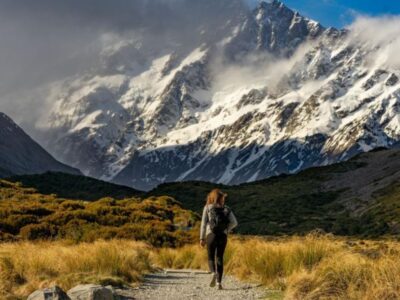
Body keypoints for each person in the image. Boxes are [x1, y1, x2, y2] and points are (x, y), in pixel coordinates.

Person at [200, 188, 238, 290]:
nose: (223, 200)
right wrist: (226, 229)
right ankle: (219, 283)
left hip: (211, 235)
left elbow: (203, 224)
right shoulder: (227, 209)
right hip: (223, 236)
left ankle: (213, 273)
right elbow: (234, 222)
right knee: (220, 258)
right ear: (221, 198)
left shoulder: (207, 207)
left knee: (211, 257)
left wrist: (202, 238)